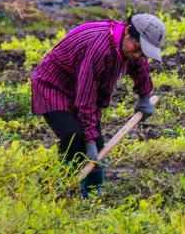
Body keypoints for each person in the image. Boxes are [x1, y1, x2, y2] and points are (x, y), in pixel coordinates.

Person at [31, 14, 165, 198]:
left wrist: (144, 96)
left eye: (144, 52)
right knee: (74, 137)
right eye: (138, 48)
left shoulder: (130, 49)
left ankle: (91, 197)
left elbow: (139, 67)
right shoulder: (99, 48)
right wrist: (90, 141)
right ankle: (59, 187)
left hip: (80, 87)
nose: (139, 55)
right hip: (53, 86)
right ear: (127, 32)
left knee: (96, 147)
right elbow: (86, 96)